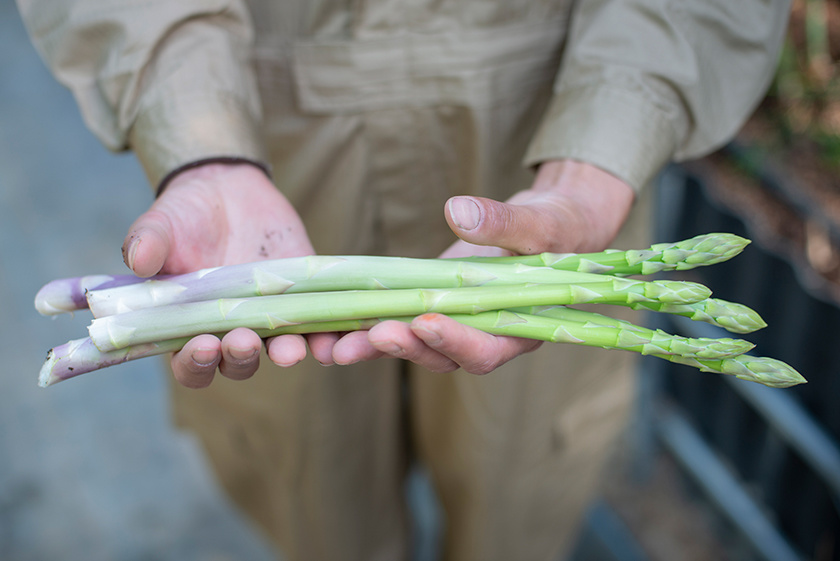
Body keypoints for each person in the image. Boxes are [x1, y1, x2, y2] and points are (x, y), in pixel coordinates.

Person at [18, 1, 791, 559]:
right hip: (269, 123)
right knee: (314, 492)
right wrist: (197, 138)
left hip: (544, 134)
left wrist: (598, 158)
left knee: (513, 493)